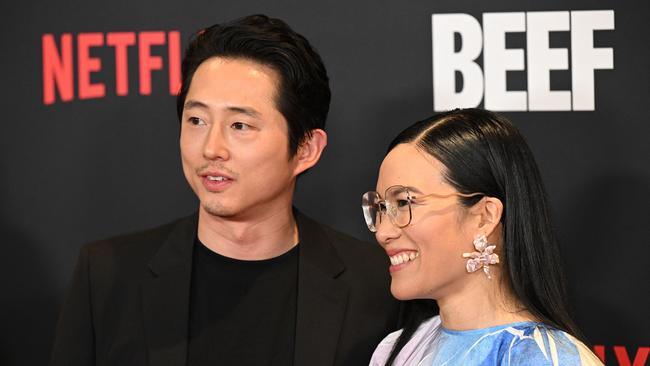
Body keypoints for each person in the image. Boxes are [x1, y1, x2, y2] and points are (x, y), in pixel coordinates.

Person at [50, 14, 400, 366]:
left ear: (306, 149)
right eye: (197, 120)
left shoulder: (376, 286)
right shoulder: (108, 275)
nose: (211, 148)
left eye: (240, 125)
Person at [363, 109, 602, 365]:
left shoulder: (548, 358)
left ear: (485, 217)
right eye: (382, 208)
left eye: (403, 202)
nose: (384, 232)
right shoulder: (398, 351)